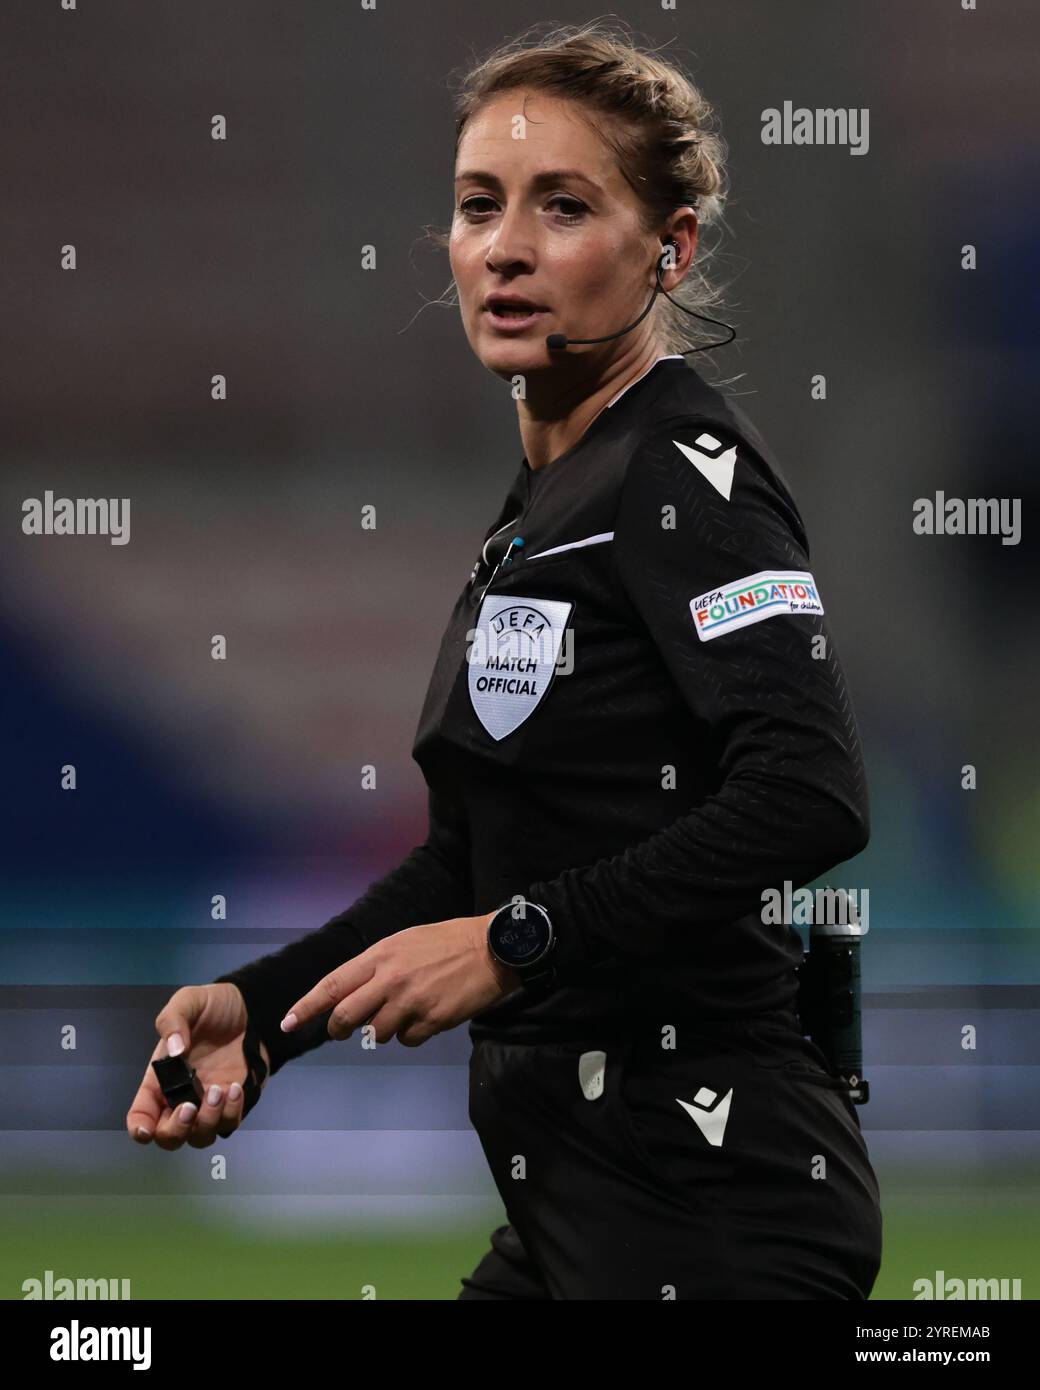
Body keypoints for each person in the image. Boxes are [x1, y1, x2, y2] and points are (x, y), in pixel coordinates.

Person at [126, 20, 882, 1300]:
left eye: (565, 205)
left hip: (712, 1208)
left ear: (670, 248)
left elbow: (807, 791)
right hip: (574, 1204)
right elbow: (473, 865)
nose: (507, 246)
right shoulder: (547, 505)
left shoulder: (678, 472)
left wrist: (519, 941)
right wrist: (262, 1014)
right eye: (480, 205)